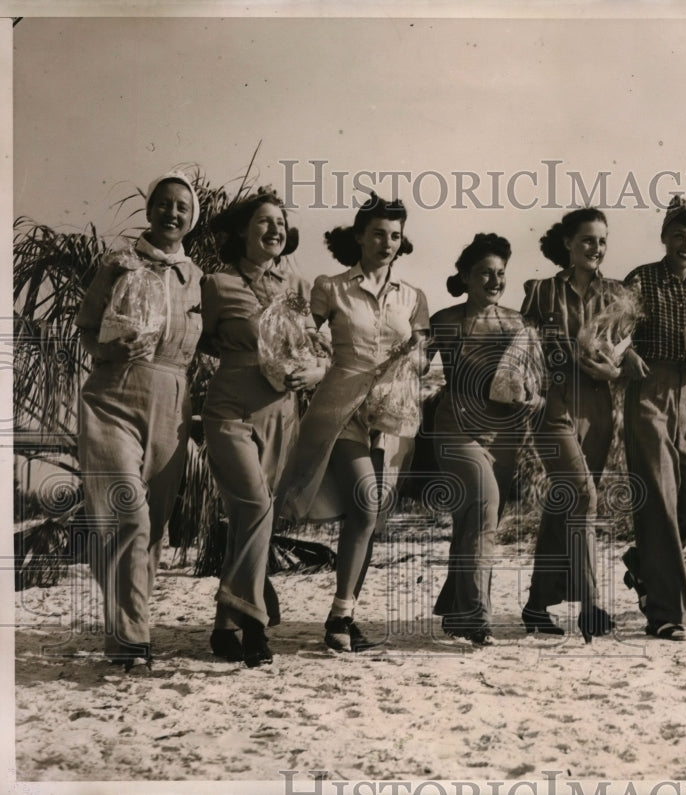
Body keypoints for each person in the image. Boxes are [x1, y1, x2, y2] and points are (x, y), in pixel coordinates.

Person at [276, 194, 429, 653]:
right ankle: (335, 616)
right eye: (378, 233)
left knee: (372, 515)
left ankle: (343, 616)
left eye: (396, 236)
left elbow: (422, 358)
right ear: (359, 236)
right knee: (365, 501)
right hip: (340, 407)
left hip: (393, 414)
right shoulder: (331, 287)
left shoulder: (413, 296)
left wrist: (414, 362)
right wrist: (315, 368)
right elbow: (302, 339)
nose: (387, 242)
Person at [76, 171, 203, 671]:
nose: (173, 213)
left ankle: (124, 627)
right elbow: (86, 328)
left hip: (173, 403)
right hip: (114, 394)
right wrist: (108, 348)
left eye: (183, 208)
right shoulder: (118, 264)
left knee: (153, 526)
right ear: (150, 210)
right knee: (128, 514)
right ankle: (132, 635)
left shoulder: (196, 277)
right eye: (164, 204)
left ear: (191, 219)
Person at [200, 192, 325, 667]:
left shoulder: (297, 285)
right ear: (241, 231)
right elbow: (202, 340)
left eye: (281, 222)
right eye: (263, 222)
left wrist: (310, 373)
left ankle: (222, 627)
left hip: (282, 409)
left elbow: (316, 348)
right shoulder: (216, 283)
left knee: (250, 518)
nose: (274, 230)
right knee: (255, 504)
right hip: (230, 405)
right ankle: (253, 623)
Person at [429, 233, 540, 646]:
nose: (494, 281)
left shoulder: (518, 323)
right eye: (485, 274)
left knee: (473, 521)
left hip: (504, 434)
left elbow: (535, 382)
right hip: (455, 427)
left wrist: (531, 397)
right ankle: (477, 617)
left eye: (500, 274)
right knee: (483, 506)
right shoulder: (443, 321)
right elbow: (405, 371)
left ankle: (458, 613)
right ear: (465, 276)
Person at [520, 208, 624, 642]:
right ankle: (591, 604)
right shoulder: (541, 291)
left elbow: (622, 350)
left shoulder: (617, 294)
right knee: (583, 494)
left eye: (601, 241)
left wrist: (613, 369)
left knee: (566, 504)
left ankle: (537, 605)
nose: (595, 248)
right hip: (553, 405)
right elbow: (522, 348)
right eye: (586, 240)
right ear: (567, 243)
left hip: (599, 406)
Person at [620, 196, 686, 642]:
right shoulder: (641, 278)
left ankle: (644, 563)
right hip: (649, 386)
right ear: (663, 237)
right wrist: (629, 353)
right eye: (678, 235)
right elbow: (611, 334)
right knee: (659, 498)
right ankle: (666, 612)